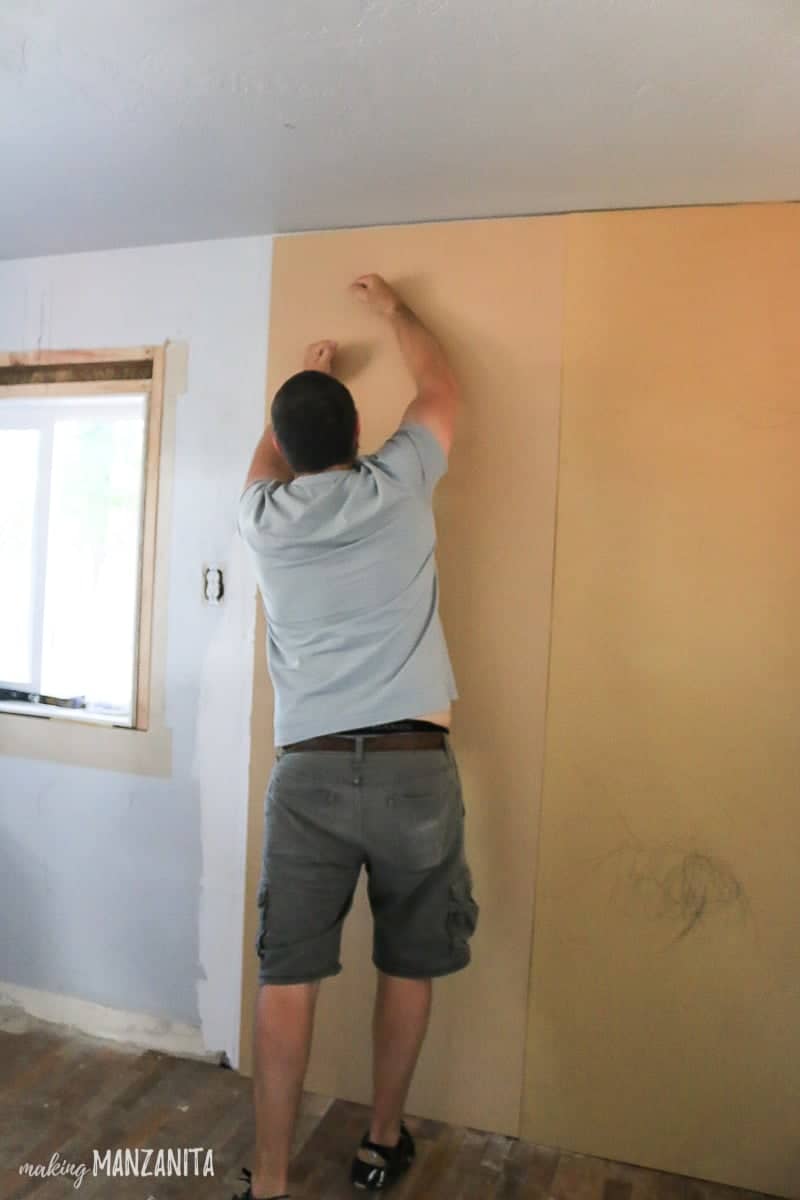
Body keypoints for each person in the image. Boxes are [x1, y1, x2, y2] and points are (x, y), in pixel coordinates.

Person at [235, 273, 479, 1199]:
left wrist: (300, 380)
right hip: (416, 769)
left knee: (287, 974)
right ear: (357, 438)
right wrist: (395, 312)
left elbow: (267, 460)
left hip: (308, 779)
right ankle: (381, 1146)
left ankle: (269, 1181)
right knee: (408, 960)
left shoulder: (260, 517)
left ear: (288, 447)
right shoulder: (401, 480)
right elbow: (443, 393)